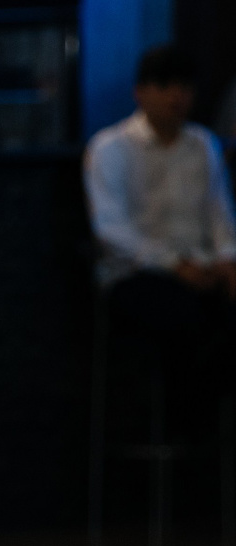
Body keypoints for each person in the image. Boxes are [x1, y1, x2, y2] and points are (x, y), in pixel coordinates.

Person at [85, 45, 236, 332]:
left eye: (185, 87)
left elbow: (220, 215)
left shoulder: (203, 144)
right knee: (183, 313)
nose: (176, 96)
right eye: (165, 86)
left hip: (203, 265)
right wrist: (174, 264)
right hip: (137, 272)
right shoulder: (110, 148)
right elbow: (111, 230)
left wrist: (228, 258)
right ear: (140, 92)